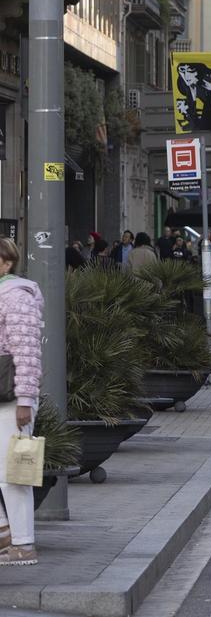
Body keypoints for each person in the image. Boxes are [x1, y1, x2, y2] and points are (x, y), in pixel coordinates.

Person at [0, 238, 44, 566]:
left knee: (13, 472)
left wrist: (25, 400)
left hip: (12, 396)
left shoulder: (16, 296)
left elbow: (27, 351)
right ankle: (5, 532)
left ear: (6, 262)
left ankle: (23, 544)